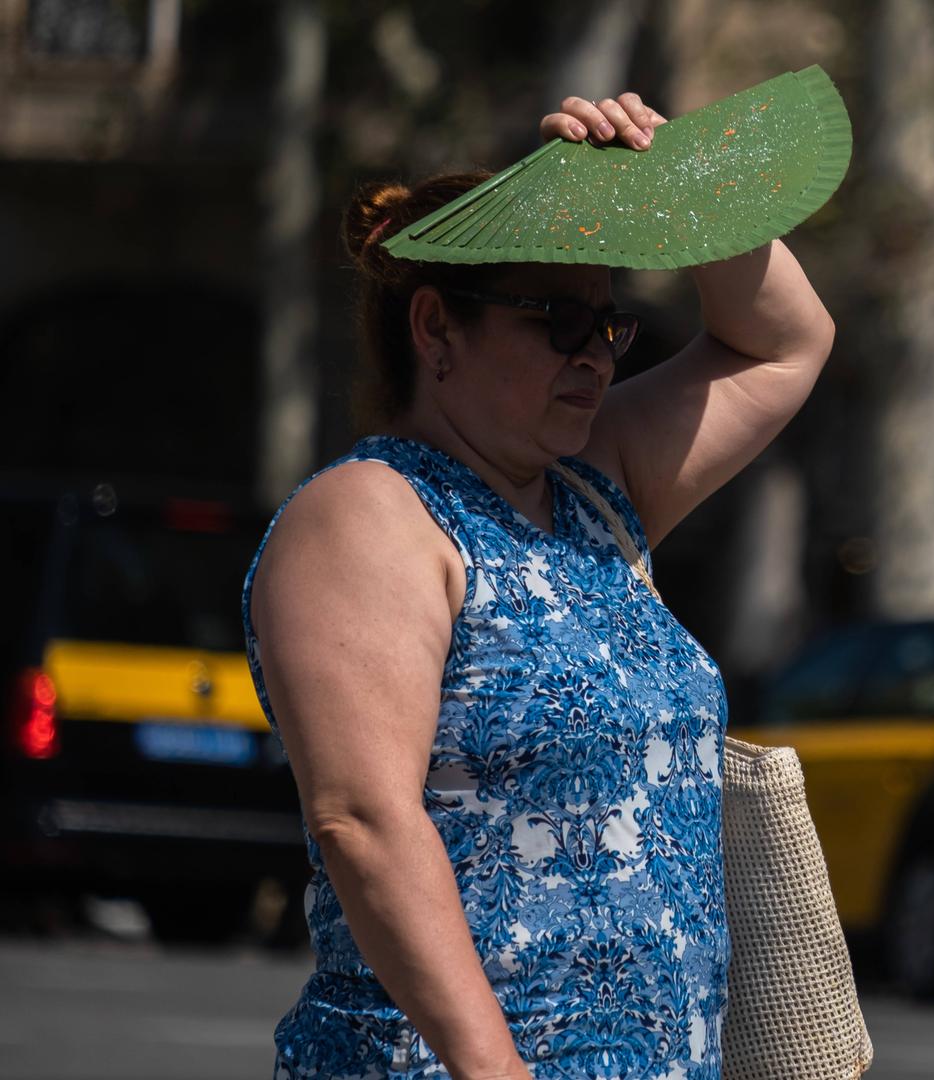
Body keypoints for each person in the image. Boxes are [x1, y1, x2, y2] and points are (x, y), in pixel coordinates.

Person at [244, 92, 835, 1080]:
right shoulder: (368, 516)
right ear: (436, 329)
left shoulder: (594, 490)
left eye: (610, 328)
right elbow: (364, 820)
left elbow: (785, 341)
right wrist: (492, 1069)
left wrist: (677, 185)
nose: (595, 356)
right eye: (560, 322)